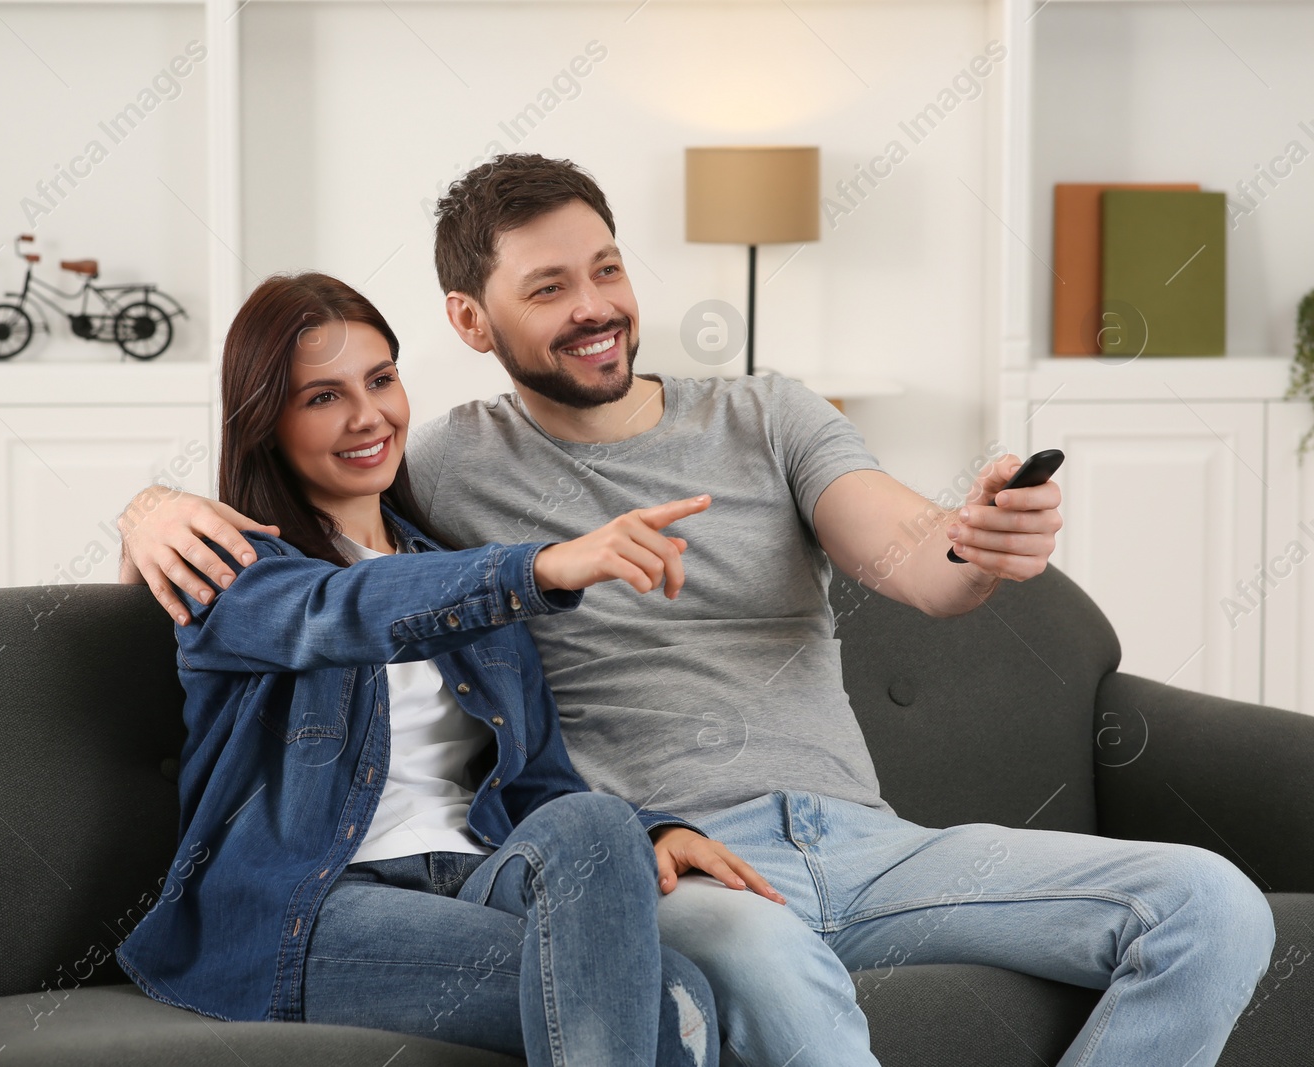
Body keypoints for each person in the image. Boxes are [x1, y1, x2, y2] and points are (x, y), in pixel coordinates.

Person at [118, 156, 1276, 1067]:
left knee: (1212, 905)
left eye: (606, 269)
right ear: (473, 322)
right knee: (721, 960)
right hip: (670, 874)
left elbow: (915, 556)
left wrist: (974, 541)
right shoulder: (448, 473)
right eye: (549, 287)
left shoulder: (766, 413)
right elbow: (327, 594)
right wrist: (148, 503)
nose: (595, 307)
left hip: (859, 840)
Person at [114, 270, 749, 1067]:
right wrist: (540, 567)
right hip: (313, 905)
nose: (367, 415)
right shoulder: (233, 574)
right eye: (322, 397)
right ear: (265, 421)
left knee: (605, 836)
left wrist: (653, 833)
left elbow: (541, 786)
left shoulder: (452, 572)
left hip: (476, 873)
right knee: (669, 1005)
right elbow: (344, 609)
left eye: (381, 379)